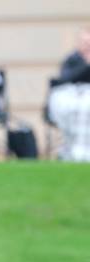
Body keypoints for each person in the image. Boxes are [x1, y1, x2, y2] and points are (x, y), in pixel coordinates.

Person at [48, 27, 90, 161]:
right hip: (71, 99)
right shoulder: (72, 59)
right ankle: (71, 150)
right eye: (84, 43)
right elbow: (65, 78)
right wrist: (86, 65)